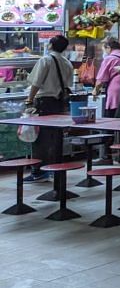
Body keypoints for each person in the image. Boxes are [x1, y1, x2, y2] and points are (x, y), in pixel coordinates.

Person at [24, 35, 74, 181]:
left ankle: (38, 172)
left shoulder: (45, 60)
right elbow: (68, 84)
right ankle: (54, 168)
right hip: (59, 103)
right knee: (56, 136)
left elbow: (36, 83)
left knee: (40, 138)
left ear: (51, 45)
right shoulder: (67, 63)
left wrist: (29, 100)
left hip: (44, 102)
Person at [94, 37, 120, 118]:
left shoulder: (109, 59)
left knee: (112, 119)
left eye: (104, 50)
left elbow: (100, 80)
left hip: (114, 94)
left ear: (108, 48)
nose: (104, 53)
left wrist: (95, 91)